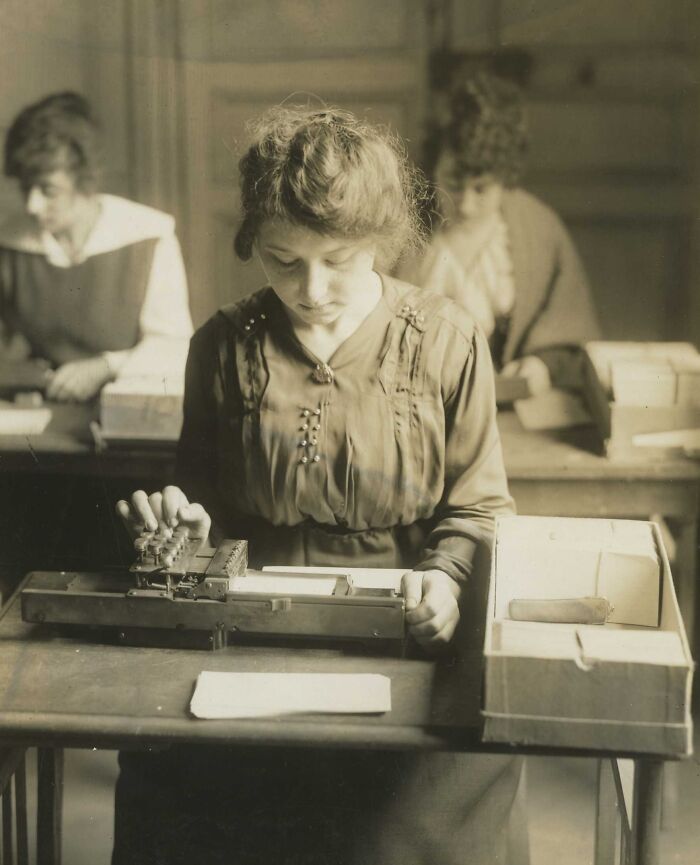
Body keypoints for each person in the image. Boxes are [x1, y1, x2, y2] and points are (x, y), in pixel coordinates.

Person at [114, 105, 520, 865]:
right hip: (251, 639)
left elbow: (478, 505)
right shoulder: (223, 344)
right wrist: (187, 531)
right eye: (283, 259)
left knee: (390, 818)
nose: (312, 287)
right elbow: (199, 493)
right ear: (254, 245)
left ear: (380, 241)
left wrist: (446, 581)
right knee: (177, 784)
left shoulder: (446, 339)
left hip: (407, 641)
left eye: (340, 259)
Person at [403, 72, 600, 395]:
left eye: (482, 189)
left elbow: (569, 329)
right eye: (453, 183)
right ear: (434, 166)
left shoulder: (539, 228)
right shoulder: (402, 223)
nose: (465, 204)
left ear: (506, 178)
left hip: (509, 408)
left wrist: (540, 365)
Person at [0, 91, 193, 402]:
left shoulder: (147, 237)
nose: (33, 205)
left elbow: (174, 348)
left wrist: (106, 366)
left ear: (85, 181)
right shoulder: (10, 243)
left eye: (48, 190)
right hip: (40, 413)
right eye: (26, 188)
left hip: (128, 408)